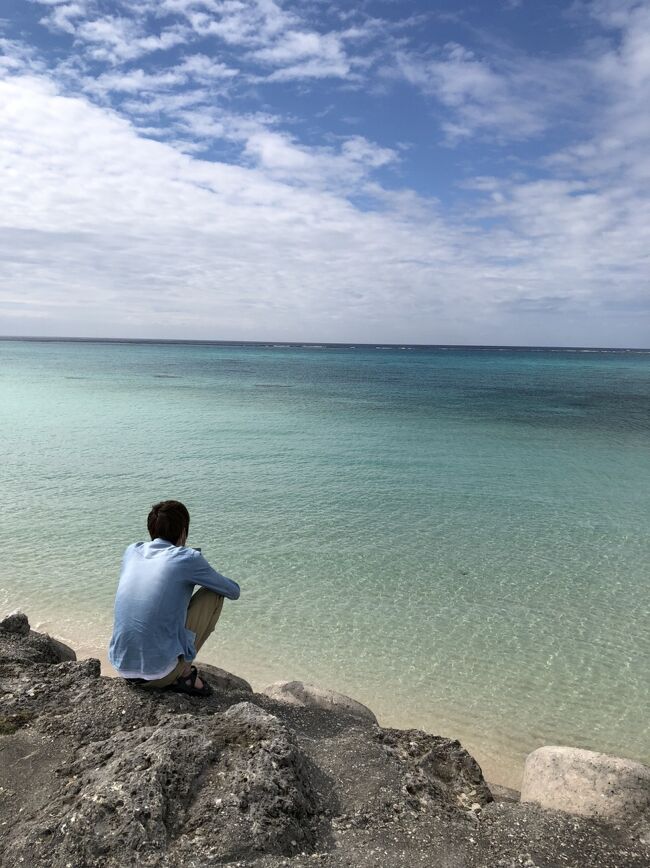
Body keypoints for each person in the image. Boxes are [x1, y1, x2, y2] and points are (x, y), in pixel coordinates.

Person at [108, 500, 240, 697]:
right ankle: (184, 672)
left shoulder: (132, 551)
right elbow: (232, 591)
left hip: (123, 668)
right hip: (159, 675)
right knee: (213, 593)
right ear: (183, 531)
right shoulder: (187, 558)